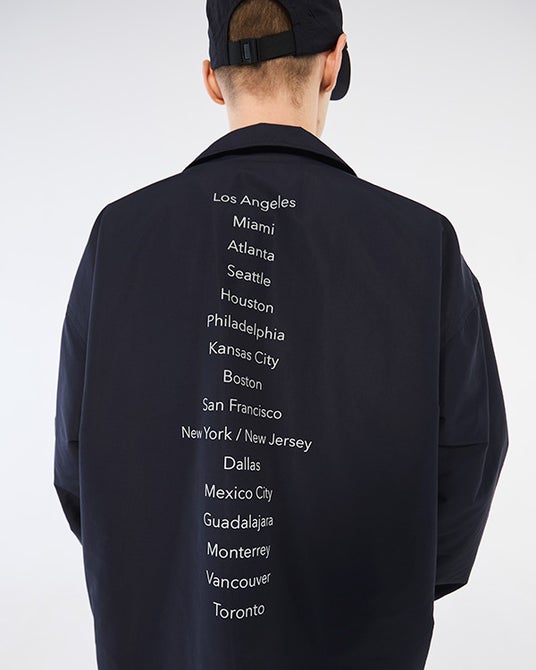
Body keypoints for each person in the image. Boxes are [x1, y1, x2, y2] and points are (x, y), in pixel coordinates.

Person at [53, 1, 509, 668]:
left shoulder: (119, 238)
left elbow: (77, 458)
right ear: (333, 63)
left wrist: (161, 579)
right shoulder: (421, 243)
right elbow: (471, 451)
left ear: (212, 79)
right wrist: (394, 584)